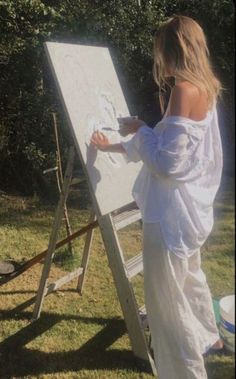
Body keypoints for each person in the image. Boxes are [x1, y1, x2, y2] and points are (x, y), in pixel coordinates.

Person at [91, 15, 223, 379]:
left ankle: (184, 373)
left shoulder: (184, 89)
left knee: (166, 308)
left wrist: (140, 128)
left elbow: (166, 162)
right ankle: (209, 338)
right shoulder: (206, 86)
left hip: (169, 217)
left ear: (171, 48)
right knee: (189, 280)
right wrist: (117, 145)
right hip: (188, 214)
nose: (158, 57)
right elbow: (170, 147)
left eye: (159, 49)